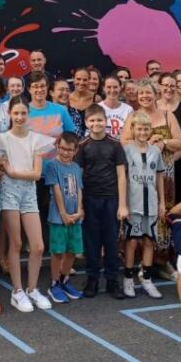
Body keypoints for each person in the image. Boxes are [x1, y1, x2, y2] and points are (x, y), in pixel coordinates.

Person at [0, 96, 52, 313]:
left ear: (28, 115)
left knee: (37, 245)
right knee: (16, 243)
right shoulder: (1, 139)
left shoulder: (36, 139)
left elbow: (36, 174)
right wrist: (2, 169)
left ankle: (32, 288)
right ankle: (17, 291)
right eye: (15, 113)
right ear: (10, 114)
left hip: (29, 193)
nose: (19, 117)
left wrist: (11, 171)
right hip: (9, 192)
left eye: (23, 113)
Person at [76, 104, 128, 299]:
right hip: (90, 199)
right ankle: (92, 278)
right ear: (86, 122)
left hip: (111, 199)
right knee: (92, 241)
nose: (96, 124)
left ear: (105, 121)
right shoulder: (82, 146)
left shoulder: (115, 145)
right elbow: (79, 176)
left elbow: (122, 176)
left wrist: (122, 204)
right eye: (92, 120)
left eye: (100, 120)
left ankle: (113, 280)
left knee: (111, 240)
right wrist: (80, 205)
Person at [122, 111, 165, 299]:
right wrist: (122, 202)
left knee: (149, 241)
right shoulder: (127, 150)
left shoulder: (156, 151)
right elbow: (122, 177)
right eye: (139, 128)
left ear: (150, 130)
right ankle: (128, 278)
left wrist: (162, 202)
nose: (142, 132)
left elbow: (159, 176)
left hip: (152, 204)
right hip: (134, 203)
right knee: (132, 241)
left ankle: (146, 279)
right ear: (132, 129)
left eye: (146, 129)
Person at [45, 131, 84, 304]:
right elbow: (56, 190)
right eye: (62, 148)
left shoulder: (75, 167)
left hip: (75, 216)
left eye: (69, 150)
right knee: (58, 252)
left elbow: (80, 189)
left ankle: (64, 280)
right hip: (58, 217)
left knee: (72, 251)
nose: (65, 152)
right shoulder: (52, 165)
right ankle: (54, 284)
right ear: (57, 147)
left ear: (75, 150)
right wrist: (63, 213)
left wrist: (79, 210)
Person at [158, 72, 181, 203]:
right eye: (165, 85)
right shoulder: (153, 106)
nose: (169, 89)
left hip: (179, 163)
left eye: (172, 86)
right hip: (156, 164)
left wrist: (170, 161)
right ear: (159, 87)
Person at [101, 73, 133, 140]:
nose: (112, 90)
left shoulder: (128, 110)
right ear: (103, 88)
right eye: (109, 87)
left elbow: (131, 134)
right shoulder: (97, 108)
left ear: (120, 87)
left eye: (115, 87)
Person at [68, 67, 95, 138]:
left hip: (91, 141)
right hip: (71, 142)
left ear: (89, 80)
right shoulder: (67, 99)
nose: (81, 82)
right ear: (73, 79)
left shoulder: (96, 99)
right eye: (78, 79)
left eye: (85, 80)